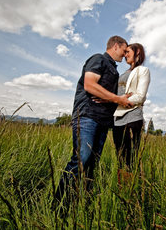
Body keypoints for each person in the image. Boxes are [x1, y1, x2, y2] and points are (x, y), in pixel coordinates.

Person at [53, 36, 133, 210]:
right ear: (116, 45)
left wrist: (112, 99)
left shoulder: (114, 70)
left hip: (103, 121)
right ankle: (59, 205)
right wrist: (117, 98)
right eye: (124, 49)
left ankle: (83, 205)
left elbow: (105, 94)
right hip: (87, 116)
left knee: (92, 164)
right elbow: (90, 84)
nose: (125, 54)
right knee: (82, 158)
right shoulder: (99, 59)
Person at [113, 43, 150, 171]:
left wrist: (118, 101)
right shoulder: (123, 72)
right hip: (117, 119)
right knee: (120, 159)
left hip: (132, 117)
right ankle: (121, 188)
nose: (125, 55)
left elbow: (140, 96)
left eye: (128, 51)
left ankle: (131, 189)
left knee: (130, 160)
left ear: (138, 51)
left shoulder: (143, 70)